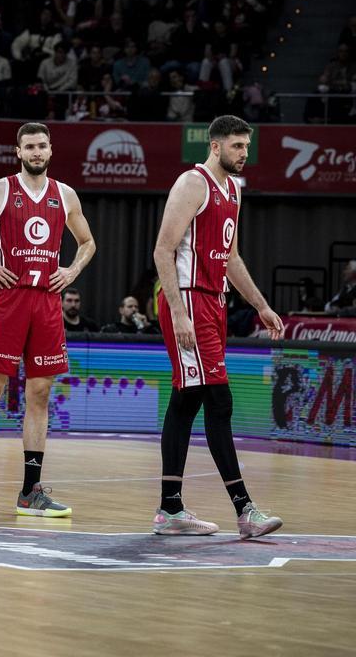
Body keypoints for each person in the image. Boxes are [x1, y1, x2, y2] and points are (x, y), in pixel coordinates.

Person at [0, 122, 96, 518]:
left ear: (50, 150)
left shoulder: (66, 194)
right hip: (8, 299)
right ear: (19, 152)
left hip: (46, 302)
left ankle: (31, 490)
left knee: (39, 395)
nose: (37, 152)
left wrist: (73, 271)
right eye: (30, 147)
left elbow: (88, 242)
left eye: (43, 146)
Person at [151, 115, 284, 538]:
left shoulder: (233, 190)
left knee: (187, 400)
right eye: (237, 146)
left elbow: (230, 258)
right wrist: (177, 311)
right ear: (215, 146)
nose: (244, 153)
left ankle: (170, 510)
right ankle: (246, 511)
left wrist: (260, 305)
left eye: (247, 146)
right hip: (187, 298)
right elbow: (163, 250)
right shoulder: (193, 183)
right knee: (220, 402)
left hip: (213, 301)